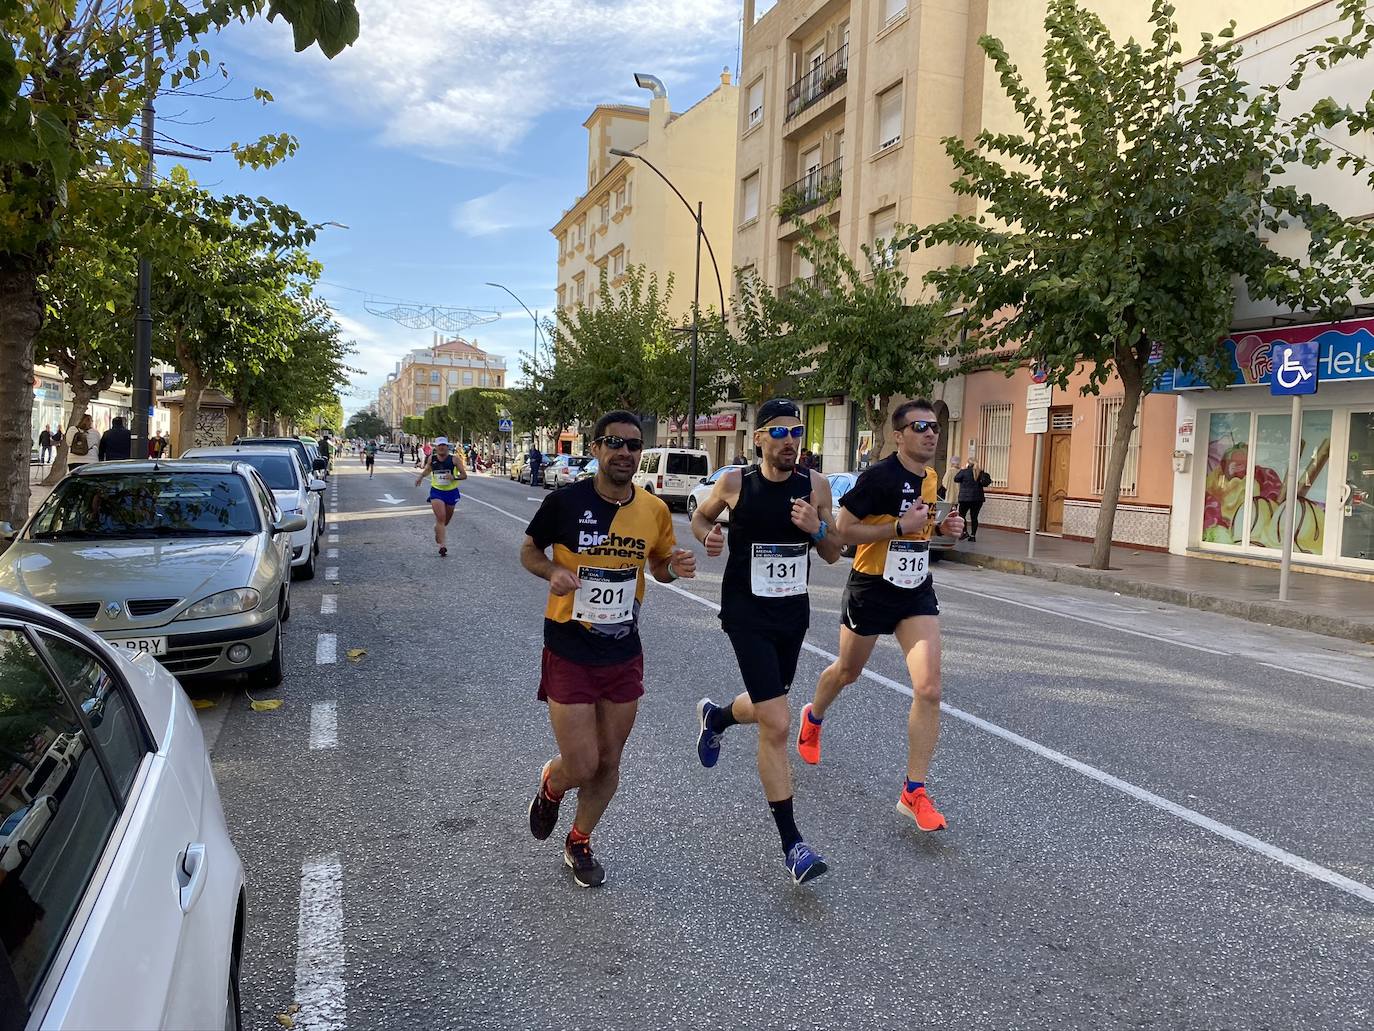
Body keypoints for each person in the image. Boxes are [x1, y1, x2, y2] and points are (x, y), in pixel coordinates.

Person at [521, 410, 696, 888]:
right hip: (570, 645)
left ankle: (579, 840)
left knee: (610, 760)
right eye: (614, 443)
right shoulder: (565, 501)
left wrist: (674, 566)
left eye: (633, 445)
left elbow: (659, 566)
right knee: (582, 763)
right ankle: (552, 786)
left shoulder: (654, 511)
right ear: (596, 448)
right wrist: (550, 572)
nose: (625, 452)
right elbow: (529, 550)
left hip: (622, 650)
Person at [691, 398, 843, 885]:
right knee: (777, 720)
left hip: (790, 616)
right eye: (779, 433)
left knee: (767, 703)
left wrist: (816, 527)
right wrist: (709, 536)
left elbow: (835, 552)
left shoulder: (815, 486)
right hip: (746, 612)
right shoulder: (735, 483)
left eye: (796, 432)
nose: (790, 442)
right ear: (758, 439)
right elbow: (700, 518)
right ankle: (792, 844)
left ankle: (716, 716)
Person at [797, 399, 964, 833]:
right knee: (847, 672)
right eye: (921, 426)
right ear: (899, 435)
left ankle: (914, 791)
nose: (931, 433)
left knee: (929, 687)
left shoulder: (929, 478)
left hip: (914, 591)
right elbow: (842, 531)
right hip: (871, 588)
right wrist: (897, 528)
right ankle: (813, 718)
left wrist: (943, 530)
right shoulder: (878, 478)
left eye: (935, 427)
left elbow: (920, 527)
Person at [414, 437, 467, 557]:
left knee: (445, 521)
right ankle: (442, 546)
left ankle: (437, 528)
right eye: (439, 445)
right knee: (441, 517)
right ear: (436, 447)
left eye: (443, 445)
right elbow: (428, 470)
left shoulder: (454, 460)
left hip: (451, 492)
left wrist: (454, 477)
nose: (441, 447)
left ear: (447, 447)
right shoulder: (431, 459)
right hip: (437, 492)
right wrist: (420, 477)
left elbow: (464, 475)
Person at [953, 457, 991, 542]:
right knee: (974, 517)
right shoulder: (980, 472)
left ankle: (965, 532)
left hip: (965, 499)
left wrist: (962, 469)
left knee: (962, 515)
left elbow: (956, 479)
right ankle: (973, 536)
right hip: (978, 499)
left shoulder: (964, 471)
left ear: (968, 464)